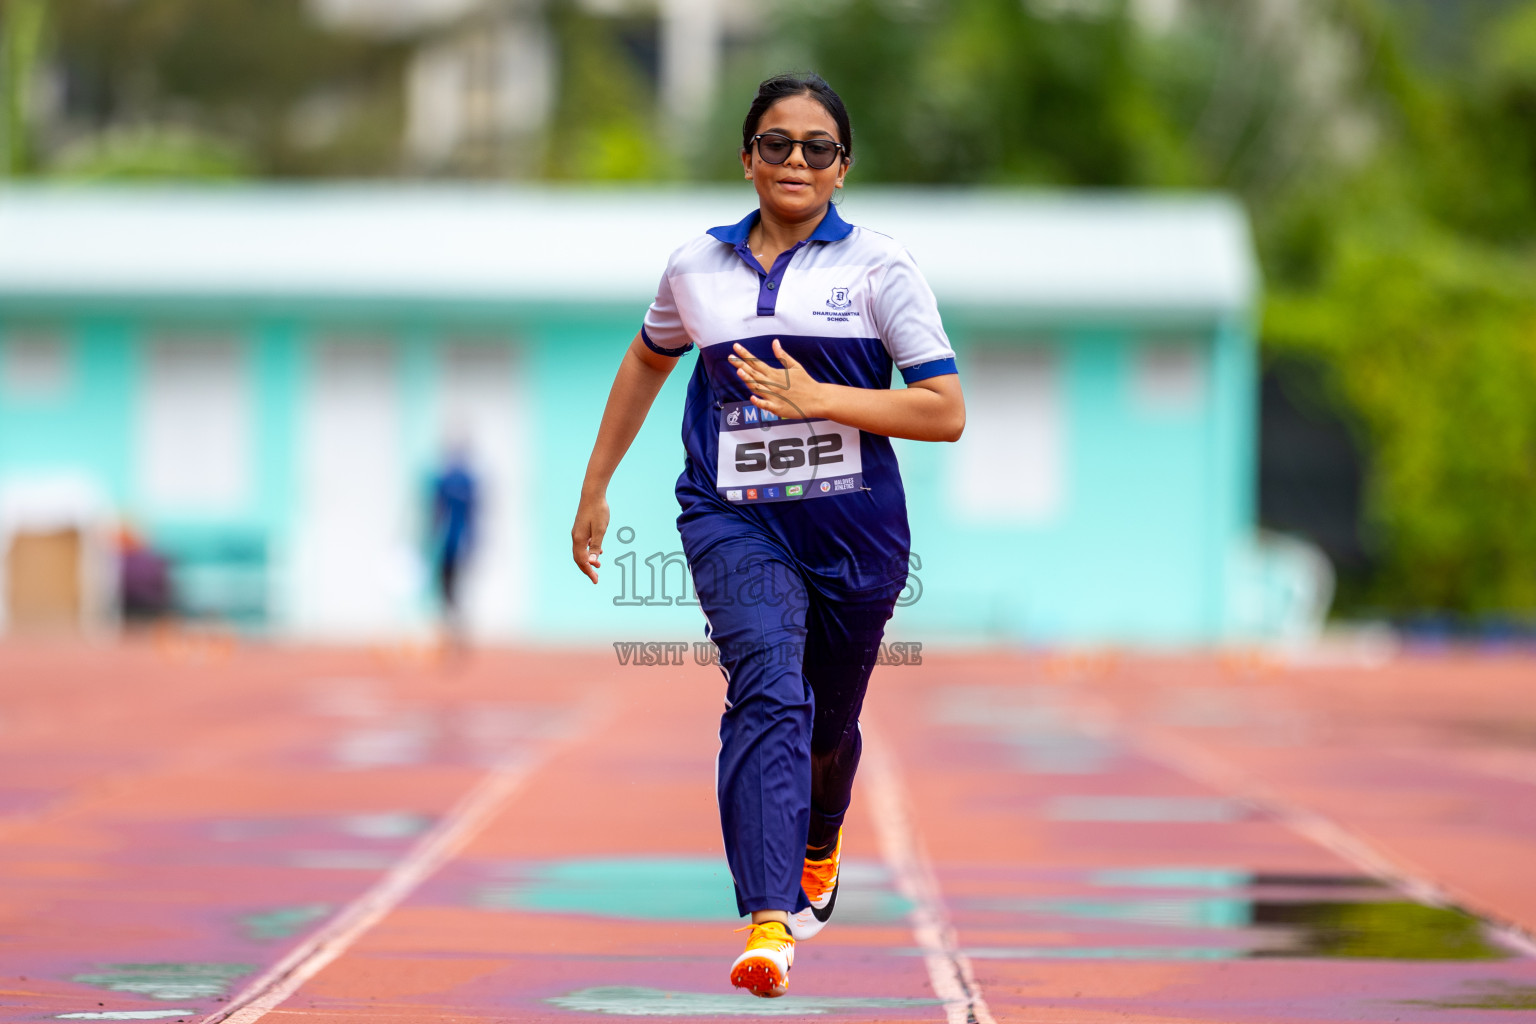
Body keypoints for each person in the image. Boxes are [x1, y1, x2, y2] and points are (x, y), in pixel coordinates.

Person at [570, 72, 964, 998]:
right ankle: (768, 919)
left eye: (816, 147)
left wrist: (819, 398)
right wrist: (596, 487)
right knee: (768, 691)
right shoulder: (693, 268)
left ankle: (821, 835)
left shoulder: (880, 267)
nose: (796, 160)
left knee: (828, 724)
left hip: (856, 536)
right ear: (747, 158)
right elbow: (645, 358)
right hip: (732, 522)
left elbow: (945, 410)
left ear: (842, 168)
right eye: (777, 143)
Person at [430, 439, 478, 648]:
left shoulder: (449, 480)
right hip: (453, 544)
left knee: (450, 590)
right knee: (451, 591)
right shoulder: (457, 480)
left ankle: (454, 634)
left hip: (451, 544)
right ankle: (454, 634)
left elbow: (438, 513)